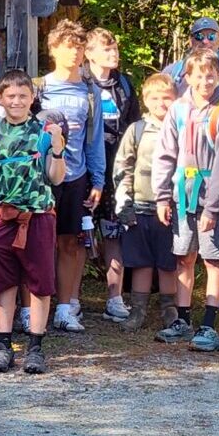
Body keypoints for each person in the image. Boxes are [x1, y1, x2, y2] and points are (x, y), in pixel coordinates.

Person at [0, 69, 67, 375]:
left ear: (33, 97)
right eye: (10, 96)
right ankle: (4, 348)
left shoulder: (44, 132)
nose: (16, 101)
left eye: (23, 96)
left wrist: (57, 149)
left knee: (40, 283)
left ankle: (36, 348)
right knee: (4, 282)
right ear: (0, 98)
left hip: (37, 216)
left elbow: (56, 178)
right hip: (2, 215)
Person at [153, 50, 219, 349]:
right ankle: (183, 319)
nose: (205, 80)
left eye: (211, 74)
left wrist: (214, 207)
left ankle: (209, 323)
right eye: (199, 75)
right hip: (181, 196)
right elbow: (165, 154)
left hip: (210, 197)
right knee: (184, 257)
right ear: (187, 77)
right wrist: (162, 197)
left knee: (213, 258)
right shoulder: (177, 110)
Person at [36, 20, 106, 334]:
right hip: (42, 176)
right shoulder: (40, 87)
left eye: (78, 47)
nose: (73, 53)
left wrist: (99, 180)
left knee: (70, 243)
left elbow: (95, 139)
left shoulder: (90, 92)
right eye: (67, 46)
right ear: (53, 49)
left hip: (76, 176)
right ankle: (31, 309)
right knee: (37, 244)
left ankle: (64, 308)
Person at [110, 72, 178, 329]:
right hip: (139, 204)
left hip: (170, 207)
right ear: (146, 100)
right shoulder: (137, 129)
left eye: (167, 98)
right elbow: (123, 166)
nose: (162, 103)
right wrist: (124, 202)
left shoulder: (181, 128)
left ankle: (169, 309)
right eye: (156, 98)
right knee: (140, 261)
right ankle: (137, 310)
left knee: (168, 260)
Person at [86, 29, 139, 322]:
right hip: (86, 167)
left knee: (114, 232)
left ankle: (115, 298)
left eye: (115, 48)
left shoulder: (125, 84)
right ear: (90, 53)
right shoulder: (81, 83)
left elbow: (135, 127)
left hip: (117, 168)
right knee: (77, 235)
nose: (113, 54)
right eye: (106, 50)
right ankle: (70, 301)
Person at [166, 15, 219, 111]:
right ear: (191, 41)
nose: (205, 41)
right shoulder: (172, 72)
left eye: (211, 36)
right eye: (199, 36)